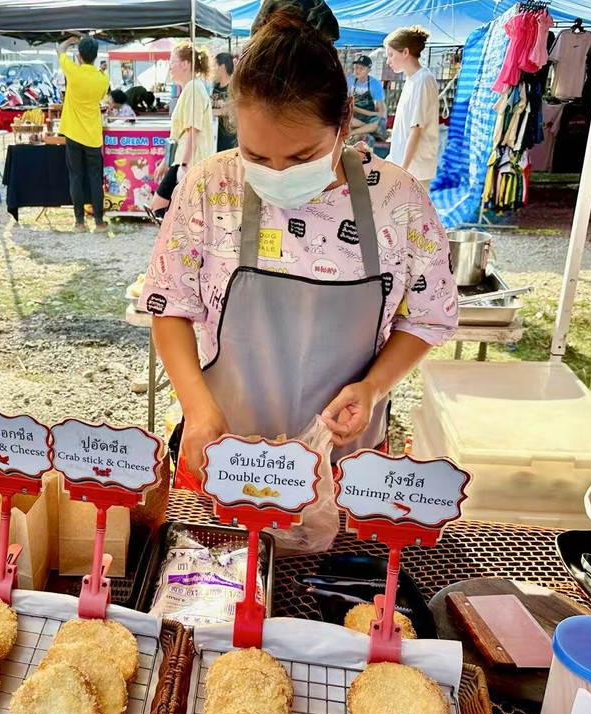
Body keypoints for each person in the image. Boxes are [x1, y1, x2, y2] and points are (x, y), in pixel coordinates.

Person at [139, 0, 456, 481]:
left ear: (344, 124)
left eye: (302, 156)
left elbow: (429, 317)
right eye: (256, 156)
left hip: (344, 464)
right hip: (225, 457)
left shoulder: (397, 199)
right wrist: (198, 409)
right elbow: (170, 306)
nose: (278, 174)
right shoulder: (209, 187)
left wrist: (372, 387)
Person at [150, 42, 214, 219]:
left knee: (159, 208)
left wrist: (183, 166)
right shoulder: (192, 88)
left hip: (189, 162)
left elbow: (192, 131)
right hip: (184, 161)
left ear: (185, 64)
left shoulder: (193, 88)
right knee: (168, 210)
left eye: (172, 63)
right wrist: (167, 162)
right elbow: (180, 134)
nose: (170, 68)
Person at [57, 36, 110, 232]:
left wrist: (70, 40)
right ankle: (99, 222)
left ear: (79, 55)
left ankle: (79, 222)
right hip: (93, 135)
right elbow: (102, 98)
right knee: (95, 178)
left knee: (76, 177)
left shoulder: (73, 71)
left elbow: (59, 50)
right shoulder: (102, 79)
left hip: (73, 132)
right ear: (96, 56)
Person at [385, 26, 439, 188]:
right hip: (405, 168)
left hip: (414, 171)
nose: (388, 61)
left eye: (391, 55)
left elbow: (416, 130)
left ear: (405, 52)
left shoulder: (423, 80)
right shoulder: (411, 80)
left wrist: (403, 170)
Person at [347, 54, 387, 146]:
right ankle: (368, 128)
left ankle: (353, 132)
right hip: (354, 116)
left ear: (368, 70)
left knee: (379, 122)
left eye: (361, 68)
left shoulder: (375, 84)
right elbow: (349, 105)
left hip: (369, 118)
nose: (357, 70)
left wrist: (373, 115)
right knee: (345, 120)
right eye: (356, 67)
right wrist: (371, 114)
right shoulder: (349, 81)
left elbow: (380, 111)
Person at [212, 52, 238, 151]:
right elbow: (213, 111)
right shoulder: (215, 88)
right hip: (216, 139)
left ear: (222, 67)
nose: (212, 70)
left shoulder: (234, 88)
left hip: (231, 140)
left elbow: (234, 109)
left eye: (214, 66)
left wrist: (221, 110)